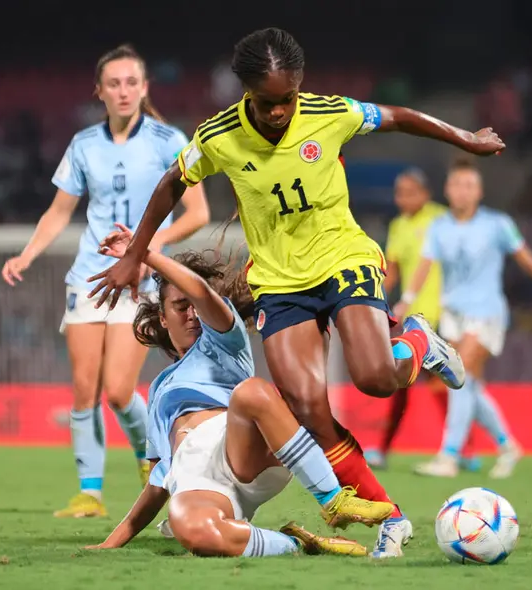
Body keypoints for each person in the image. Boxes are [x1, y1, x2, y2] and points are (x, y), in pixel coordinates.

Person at [87, 28, 504, 557]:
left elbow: (397, 116)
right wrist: (134, 252)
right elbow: (173, 180)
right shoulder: (219, 135)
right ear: (246, 92)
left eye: (287, 99)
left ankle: (418, 340)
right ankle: (390, 520)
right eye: (267, 102)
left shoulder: (329, 113)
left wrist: (464, 138)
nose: (279, 111)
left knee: (376, 378)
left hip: (342, 258)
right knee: (308, 407)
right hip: (280, 283)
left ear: (299, 87)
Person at [87, 223, 394, 557]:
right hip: (196, 480)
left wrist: (143, 253)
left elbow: (203, 294)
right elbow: (159, 480)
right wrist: (112, 541)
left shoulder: (223, 340)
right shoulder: (160, 387)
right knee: (192, 531)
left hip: (240, 449)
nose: (192, 314)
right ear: (162, 317)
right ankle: (299, 544)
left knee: (251, 393)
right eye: (179, 307)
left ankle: (332, 499)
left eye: (194, 305)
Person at [0, 44, 210, 518]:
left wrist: (143, 249)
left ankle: (146, 456)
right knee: (82, 388)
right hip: (88, 279)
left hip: (139, 280)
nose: (123, 91)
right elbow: (58, 213)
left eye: (131, 82)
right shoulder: (83, 145)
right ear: (99, 91)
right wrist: (26, 255)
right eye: (113, 83)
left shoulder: (169, 140)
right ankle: (90, 493)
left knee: (118, 390)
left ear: (145, 88)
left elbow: (198, 212)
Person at [394, 158, 532, 479]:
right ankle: (507, 445)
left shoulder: (497, 224)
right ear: (448, 190)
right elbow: (423, 266)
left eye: (469, 186)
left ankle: (448, 456)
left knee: (459, 381)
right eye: (456, 185)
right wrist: (404, 302)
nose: (462, 192)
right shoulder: (439, 227)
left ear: (479, 192)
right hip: (453, 316)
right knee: (468, 385)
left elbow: (525, 258)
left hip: (487, 313)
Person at [365, 168, 481, 472]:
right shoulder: (399, 226)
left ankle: (460, 449)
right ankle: (384, 449)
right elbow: (393, 270)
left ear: (425, 194)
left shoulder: (441, 219)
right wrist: (372, 301)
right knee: (402, 382)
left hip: (443, 313)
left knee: (446, 382)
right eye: (399, 193)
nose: (403, 198)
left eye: (410, 192)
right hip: (412, 317)